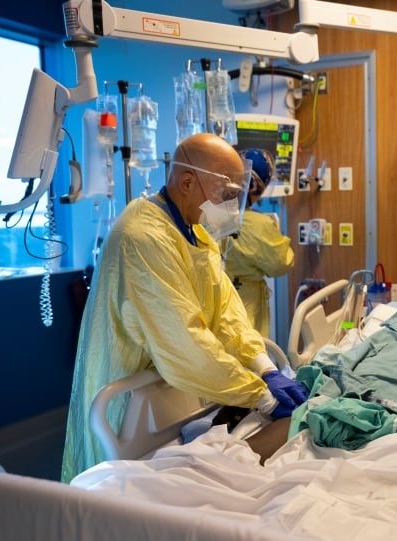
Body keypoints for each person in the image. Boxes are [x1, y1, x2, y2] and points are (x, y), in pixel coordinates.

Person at [61, 133, 308, 483]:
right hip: (127, 395)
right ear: (188, 182)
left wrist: (264, 367)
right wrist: (260, 397)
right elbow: (185, 340)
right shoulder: (143, 236)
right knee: (110, 502)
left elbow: (226, 314)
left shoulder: (196, 233)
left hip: (165, 391)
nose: (231, 206)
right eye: (227, 195)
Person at [219, 148, 294, 337]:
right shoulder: (259, 226)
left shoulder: (207, 214)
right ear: (260, 188)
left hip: (214, 304)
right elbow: (282, 263)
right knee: (248, 355)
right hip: (245, 306)